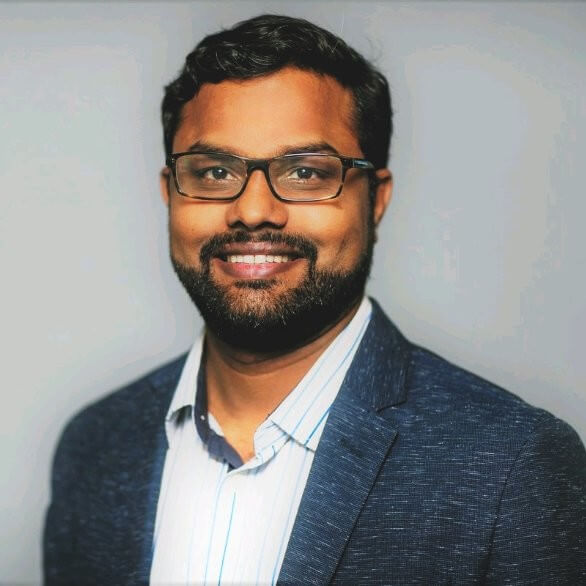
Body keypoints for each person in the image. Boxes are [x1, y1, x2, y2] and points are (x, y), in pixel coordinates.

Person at [43, 14, 586, 586]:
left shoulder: (511, 464)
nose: (253, 211)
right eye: (215, 171)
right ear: (170, 194)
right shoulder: (95, 444)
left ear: (375, 199)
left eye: (304, 172)